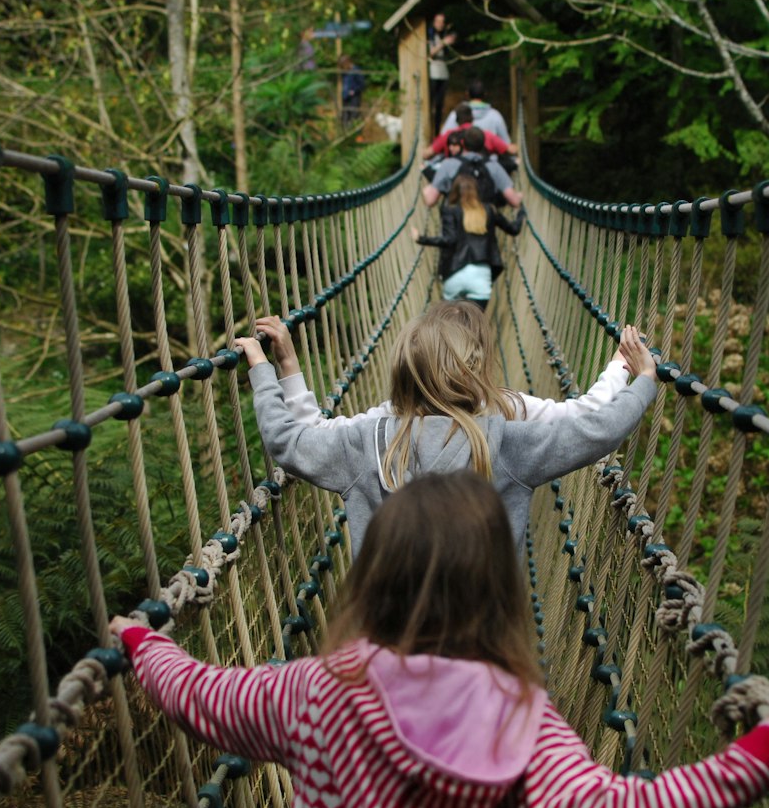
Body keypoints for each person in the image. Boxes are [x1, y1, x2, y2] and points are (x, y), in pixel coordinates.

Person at [111, 471, 769, 808]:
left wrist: (144, 643)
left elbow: (201, 696)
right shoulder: (520, 721)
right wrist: (756, 755)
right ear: (500, 592)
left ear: (371, 580)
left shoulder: (313, 690)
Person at [234, 314, 658, 546]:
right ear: (478, 372)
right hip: (482, 644)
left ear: (402, 373)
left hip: (387, 642)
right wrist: (633, 376)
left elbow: (295, 440)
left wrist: (274, 370)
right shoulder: (509, 427)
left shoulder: (369, 438)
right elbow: (595, 425)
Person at [255, 302, 633, 429]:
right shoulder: (506, 410)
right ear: (479, 360)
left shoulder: (386, 423)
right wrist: (622, 367)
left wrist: (286, 364)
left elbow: (309, 436)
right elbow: (586, 417)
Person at [413, 171, 523, 308]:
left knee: (451, 325)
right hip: (481, 276)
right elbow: (514, 229)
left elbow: (449, 239)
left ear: (454, 191)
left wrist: (421, 239)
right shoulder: (489, 210)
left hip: (454, 274)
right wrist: (521, 214)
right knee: (473, 325)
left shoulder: (450, 210)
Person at [423, 127, 523, 211]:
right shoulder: (494, 167)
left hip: (455, 228)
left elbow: (430, 200)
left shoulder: (448, 165)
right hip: (484, 227)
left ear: (462, 143)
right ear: (483, 144)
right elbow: (515, 201)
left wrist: (426, 190)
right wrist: (520, 196)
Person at [429, 102, 517, 159]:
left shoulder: (448, 135)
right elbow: (510, 150)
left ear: (457, 121)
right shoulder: (485, 135)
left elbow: (429, 152)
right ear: (472, 118)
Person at [438, 78, 511, 143]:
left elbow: (443, 138)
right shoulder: (495, 116)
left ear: (467, 93)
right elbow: (506, 142)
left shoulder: (455, 114)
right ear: (485, 94)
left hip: (459, 157)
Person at [427, 12, 455, 133]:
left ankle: (437, 131)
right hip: (433, 70)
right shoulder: (429, 35)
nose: (440, 24)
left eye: (442, 22)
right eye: (438, 21)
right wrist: (443, 43)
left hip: (443, 70)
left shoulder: (444, 34)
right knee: (431, 102)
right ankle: (430, 128)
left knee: (440, 104)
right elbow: (430, 52)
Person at [340, 55, 366, 129]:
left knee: (354, 117)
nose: (343, 68)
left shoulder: (356, 70)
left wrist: (354, 91)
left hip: (354, 98)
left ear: (348, 62)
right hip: (345, 97)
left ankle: (354, 133)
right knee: (344, 117)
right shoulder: (345, 72)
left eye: (343, 65)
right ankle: (344, 132)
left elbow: (362, 85)